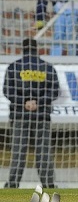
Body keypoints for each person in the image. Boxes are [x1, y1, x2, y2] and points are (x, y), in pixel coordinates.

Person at [3, 39, 60, 189]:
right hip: (42, 116)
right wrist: (38, 103)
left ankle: (13, 185)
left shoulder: (13, 67)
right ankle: (48, 185)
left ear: (23, 49)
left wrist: (24, 102)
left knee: (18, 152)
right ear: (37, 49)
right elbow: (54, 91)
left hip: (19, 115)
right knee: (43, 153)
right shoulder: (47, 67)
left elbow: (7, 91)